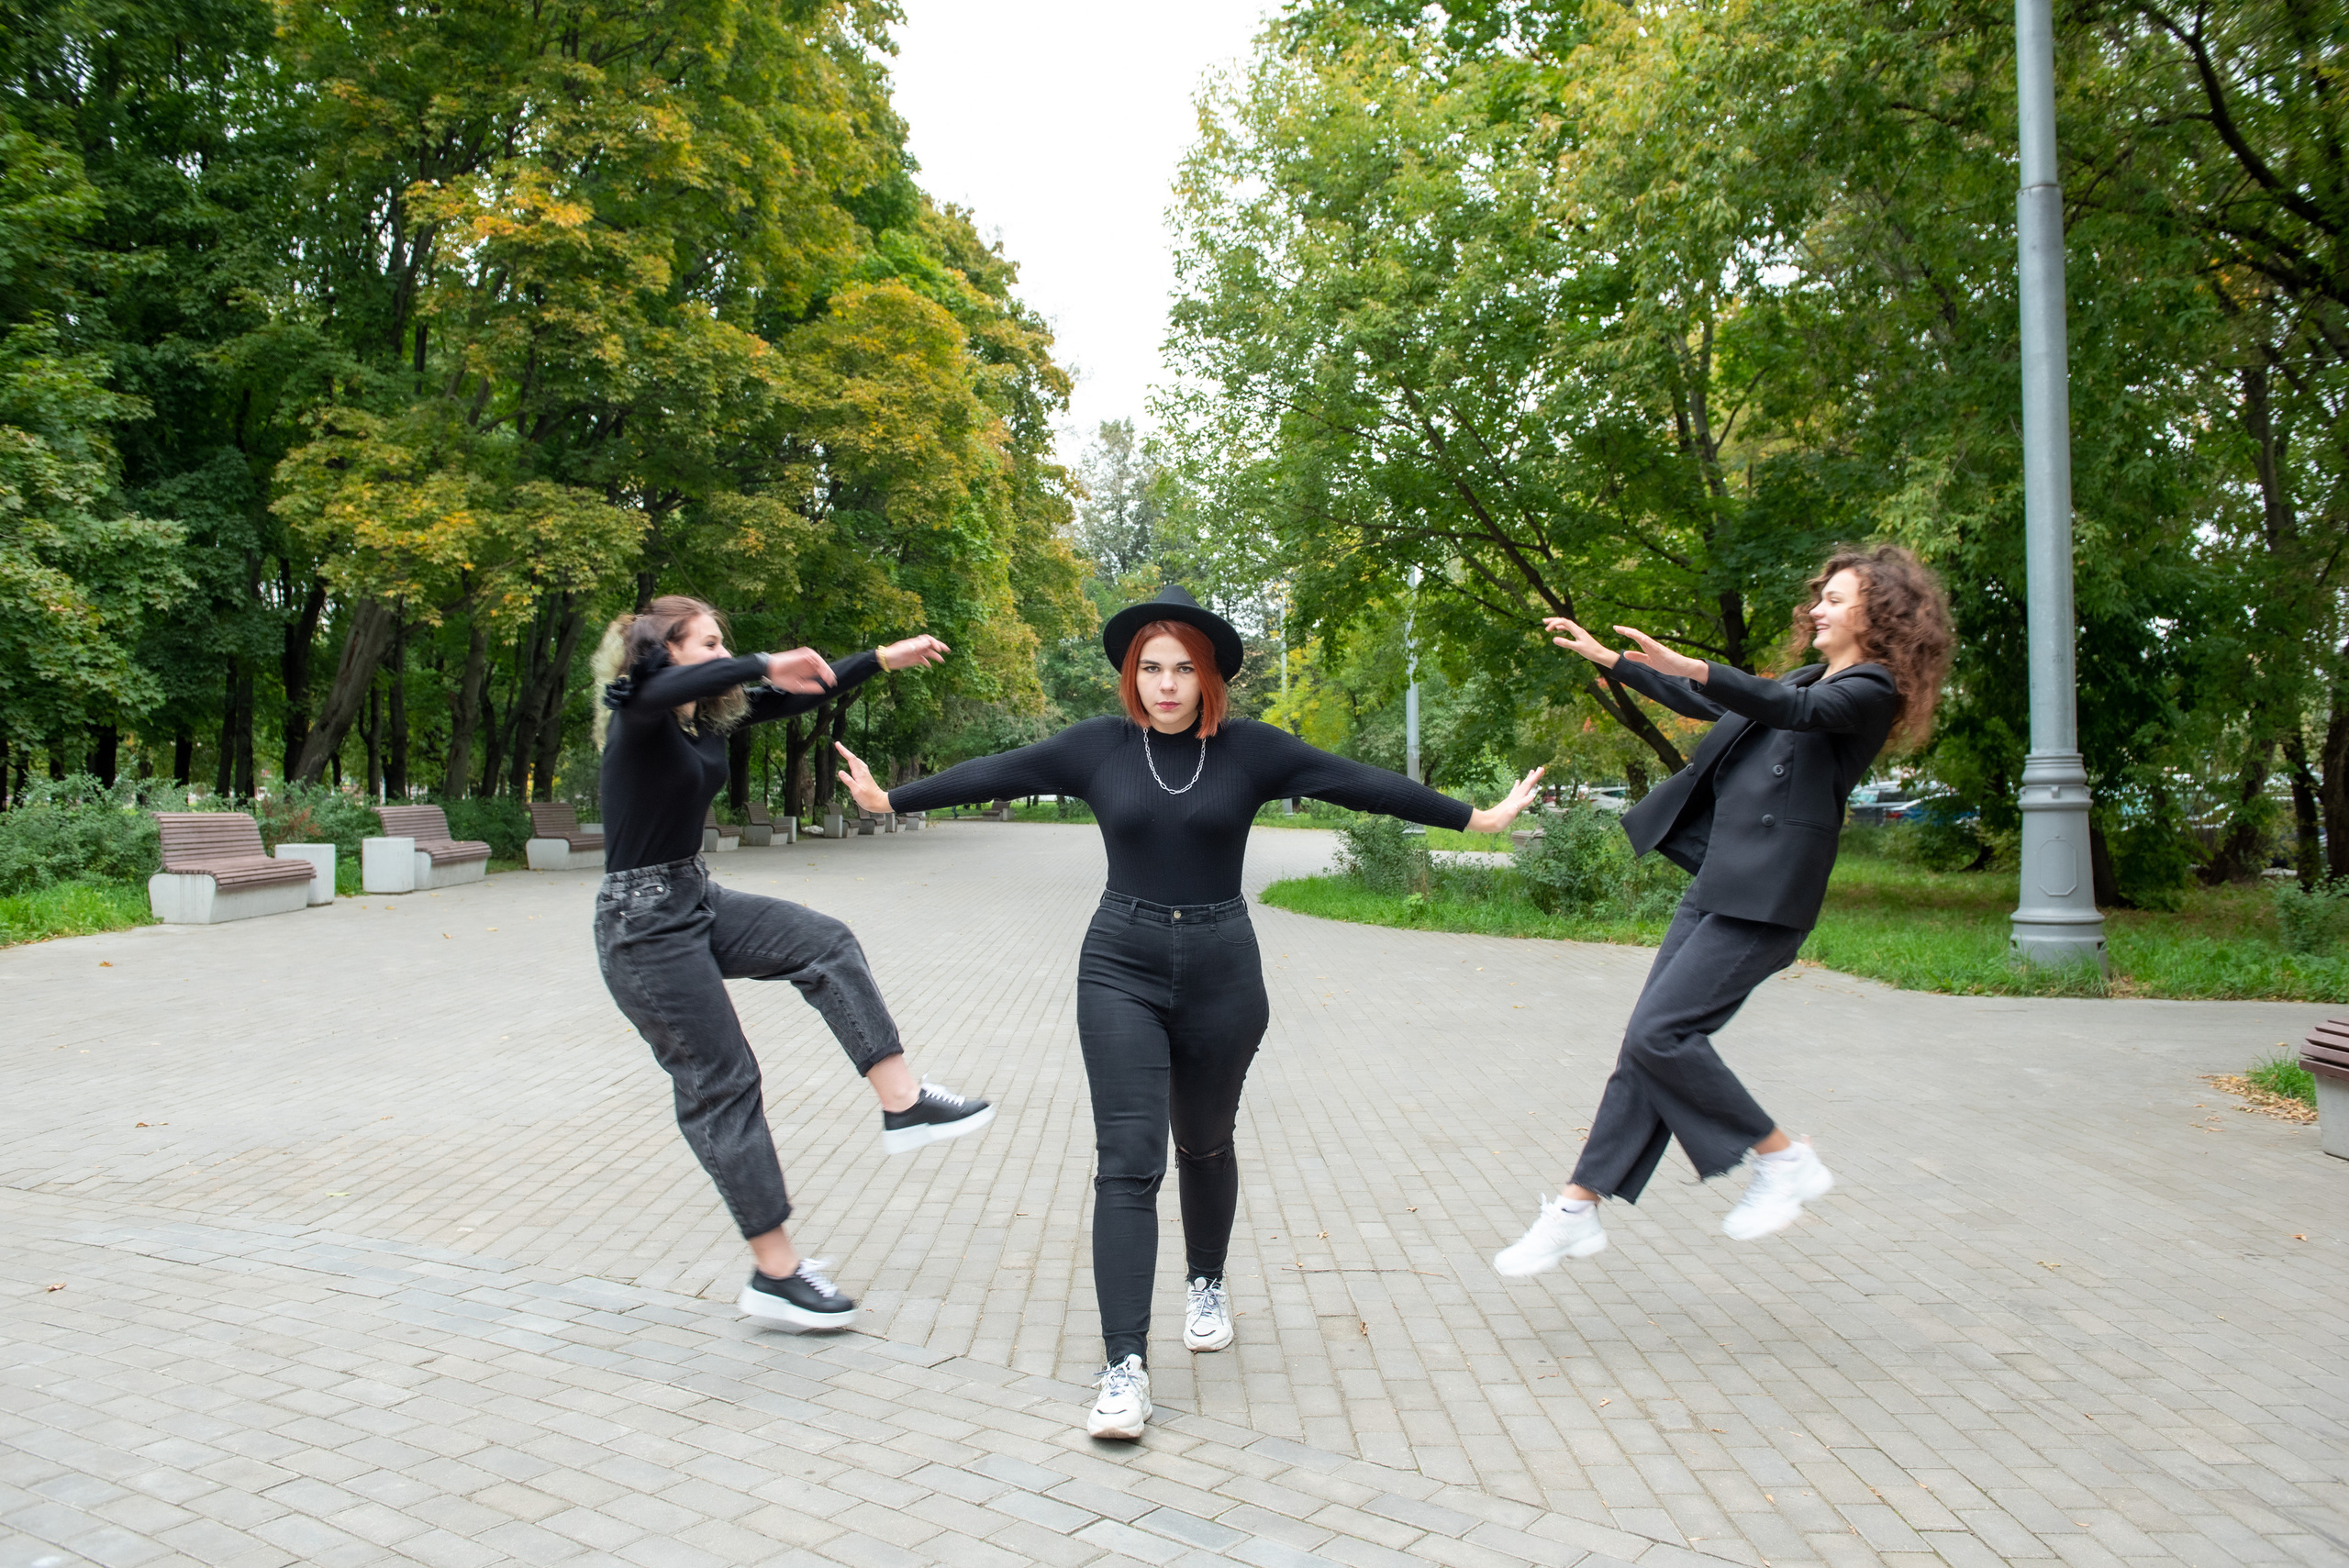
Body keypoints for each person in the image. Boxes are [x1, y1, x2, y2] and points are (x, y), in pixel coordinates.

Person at [835, 586, 1545, 1440]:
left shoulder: (1251, 751)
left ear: (1208, 678)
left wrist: (1478, 816)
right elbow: (1002, 767)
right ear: (1131, 676)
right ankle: (1124, 1367)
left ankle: (1205, 1280)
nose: (1164, 684)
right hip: (1118, 966)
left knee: (1204, 1141)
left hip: (1223, 972)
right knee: (1127, 1159)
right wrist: (890, 801)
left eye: (1181, 669)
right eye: (1149, 668)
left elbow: (1362, 785)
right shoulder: (1099, 747)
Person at [1495, 545, 1953, 1274]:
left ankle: (1782, 1159)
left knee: (1662, 1036)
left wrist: (1694, 662)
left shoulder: (1870, 689)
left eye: (1834, 598)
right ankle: (1575, 1210)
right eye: (1820, 596)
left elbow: (1791, 709)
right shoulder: (1809, 676)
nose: (1817, 608)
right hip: (1720, 881)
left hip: (1768, 899)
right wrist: (1616, 662)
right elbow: (1719, 703)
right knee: (1644, 1048)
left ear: (1881, 612)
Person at [591, 595, 996, 1334]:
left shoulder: (705, 717)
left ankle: (903, 1102)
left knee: (824, 940)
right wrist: (758, 662)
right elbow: (666, 687)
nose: (723, 656)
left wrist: (876, 659)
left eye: (727, 644)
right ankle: (776, 1274)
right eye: (708, 644)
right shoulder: (640, 712)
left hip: (694, 899)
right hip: (641, 928)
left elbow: (798, 688)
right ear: (666, 649)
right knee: (725, 1083)